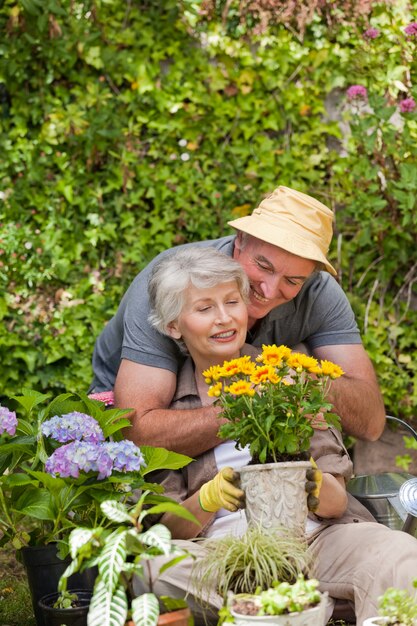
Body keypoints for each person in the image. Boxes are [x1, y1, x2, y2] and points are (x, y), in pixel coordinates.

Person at [133, 246, 417, 626]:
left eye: (232, 302)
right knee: (154, 568)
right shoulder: (169, 412)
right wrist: (207, 497)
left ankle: (287, 607)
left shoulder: (288, 377)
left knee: (399, 552)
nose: (224, 318)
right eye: (204, 309)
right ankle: (306, 606)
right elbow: (167, 528)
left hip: (318, 540)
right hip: (227, 557)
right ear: (173, 326)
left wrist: (316, 484)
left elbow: (335, 504)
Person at [90, 186, 386, 453]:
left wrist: (303, 379)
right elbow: (137, 432)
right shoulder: (173, 282)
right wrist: (254, 402)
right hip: (142, 419)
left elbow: (371, 424)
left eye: (293, 281)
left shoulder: (320, 294)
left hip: (232, 414)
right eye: (263, 265)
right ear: (240, 240)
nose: (269, 291)